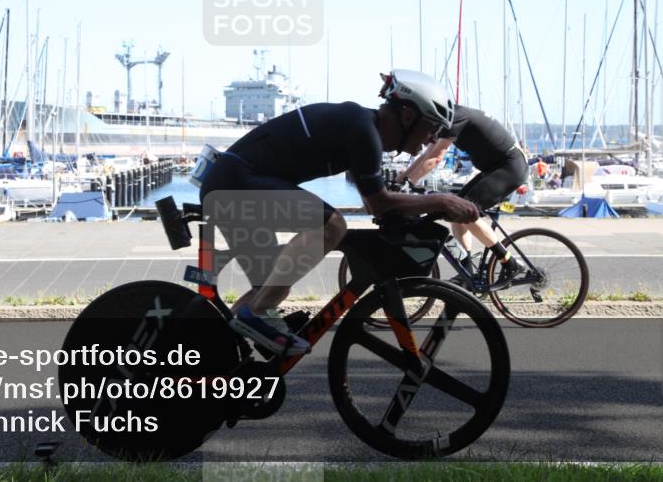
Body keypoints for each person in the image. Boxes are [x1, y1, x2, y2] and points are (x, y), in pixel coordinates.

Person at [199, 70, 479, 355]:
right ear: (408, 116)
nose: (432, 140)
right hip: (235, 182)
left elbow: (372, 203)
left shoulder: (360, 126)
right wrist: (441, 201)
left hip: (227, 183)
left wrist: (417, 206)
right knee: (332, 226)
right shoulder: (363, 130)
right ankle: (258, 314)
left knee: (270, 284)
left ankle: (214, 355)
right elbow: (379, 203)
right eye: (432, 127)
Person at [397, 103, 526, 278]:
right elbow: (427, 155)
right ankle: (466, 273)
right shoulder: (446, 118)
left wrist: (408, 182)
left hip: (509, 168)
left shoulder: (455, 118)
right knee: (456, 213)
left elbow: (436, 158)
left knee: (465, 211)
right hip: (494, 168)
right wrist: (401, 180)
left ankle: (509, 263)